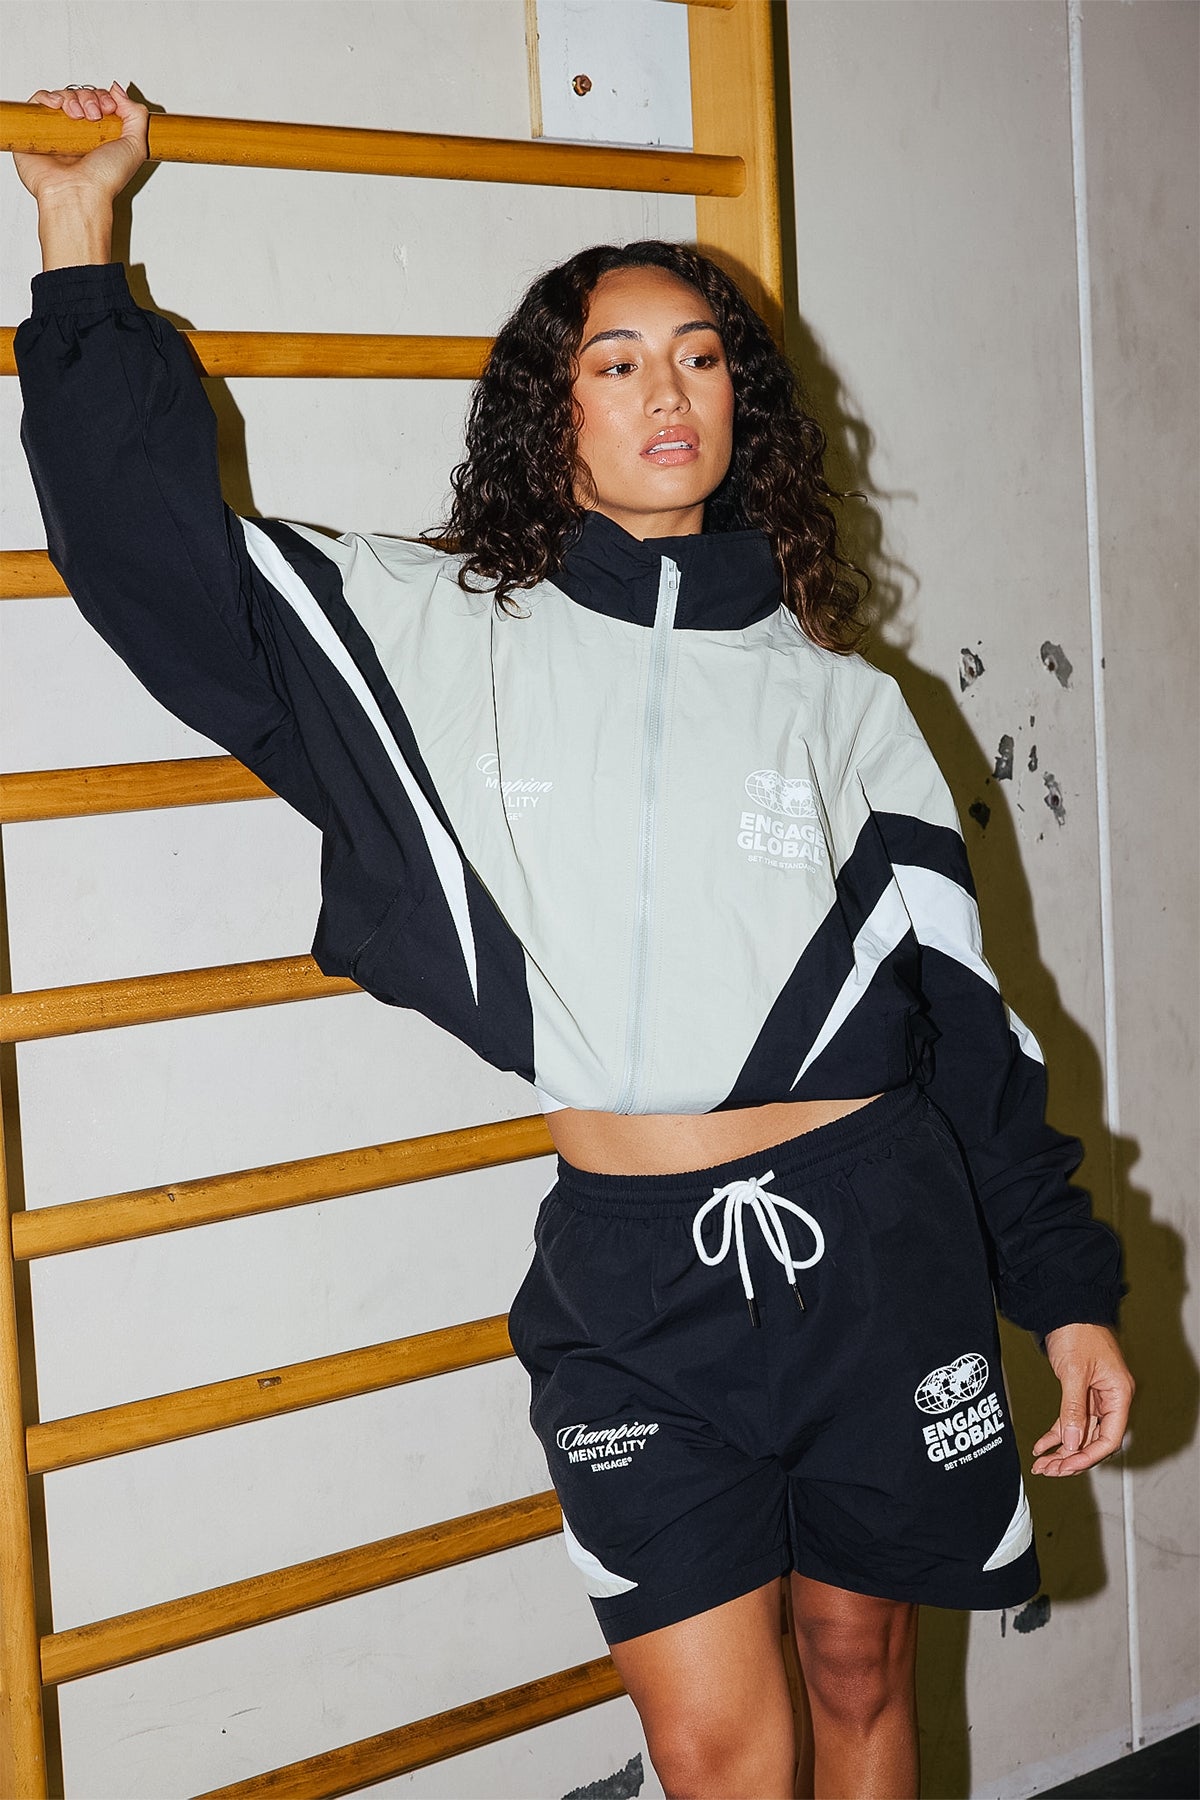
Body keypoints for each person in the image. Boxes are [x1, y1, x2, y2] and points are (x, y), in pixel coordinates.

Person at [14, 82, 1134, 1800]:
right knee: (713, 1749)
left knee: (859, 1674)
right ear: (556, 418)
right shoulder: (434, 637)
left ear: (743, 405)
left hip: (878, 1245)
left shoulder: (852, 707)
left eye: (699, 356)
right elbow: (152, 560)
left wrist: (1065, 1298)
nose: (665, 393)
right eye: (616, 364)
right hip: (632, 1285)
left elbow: (968, 1035)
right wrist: (79, 241)